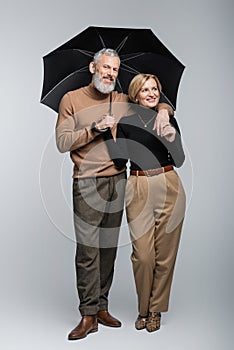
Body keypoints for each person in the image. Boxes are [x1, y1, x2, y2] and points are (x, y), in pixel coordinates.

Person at [55, 49, 174, 340]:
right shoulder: (71, 99)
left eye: (115, 70)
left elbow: (155, 100)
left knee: (108, 247)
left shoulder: (120, 99)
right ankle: (87, 314)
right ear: (92, 66)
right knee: (87, 250)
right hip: (86, 181)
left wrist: (162, 110)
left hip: (118, 180)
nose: (110, 74)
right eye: (106, 68)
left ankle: (102, 307)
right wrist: (95, 128)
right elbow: (62, 141)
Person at [104, 73, 186, 332]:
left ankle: (155, 311)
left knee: (165, 256)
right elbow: (119, 162)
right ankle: (143, 308)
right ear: (135, 94)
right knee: (143, 255)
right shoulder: (126, 122)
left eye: (155, 89)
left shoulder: (167, 117)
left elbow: (180, 159)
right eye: (146, 90)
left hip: (168, 182)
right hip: (137, 185)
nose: (151, 94)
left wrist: (172, 136)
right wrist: (108, 133)